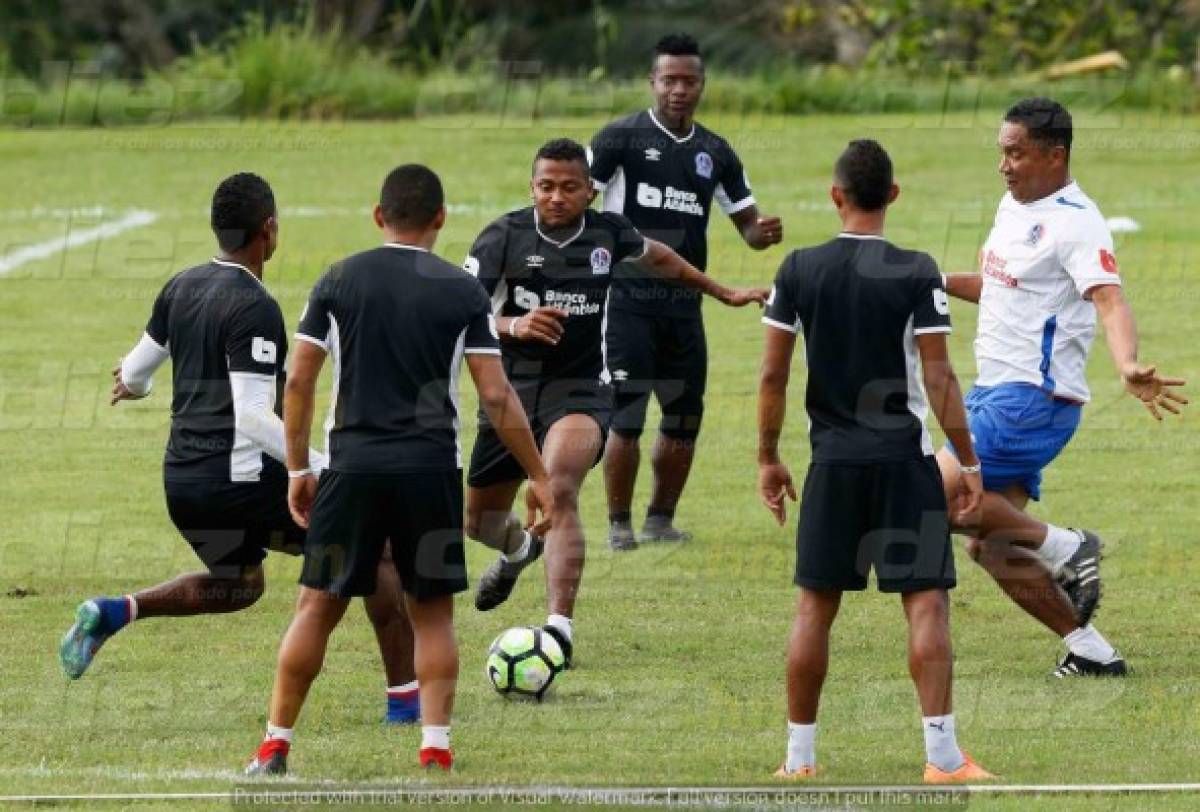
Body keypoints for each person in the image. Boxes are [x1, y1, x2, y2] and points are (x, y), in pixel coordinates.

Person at [59, 173, 419, 724]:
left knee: (241, 586)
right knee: (379, 549)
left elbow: (132, 372)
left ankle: (114, 612)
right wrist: (322, 467)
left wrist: (139, 386)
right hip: (239, 481)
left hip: (183, 485)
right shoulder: (253, 304)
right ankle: (405, 704)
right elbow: (253, 418)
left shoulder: (181, 284)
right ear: (269, 229)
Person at [246, 164, 553, 776]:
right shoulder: (462, 292)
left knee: (316, 606)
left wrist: (299, 468)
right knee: (432, 612)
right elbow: (496, 396)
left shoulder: (337, 280)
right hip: (430, 471)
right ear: (440, 219)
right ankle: (435, 747)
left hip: (352, 470)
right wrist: (539, 475)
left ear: (378, 216)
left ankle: (275, 745)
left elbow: (300, 380)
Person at [464, 138, 767, 666]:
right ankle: (518, 552)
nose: (556, 196)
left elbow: (663, 258)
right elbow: (461, 315)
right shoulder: (501, 237)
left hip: (581, 390)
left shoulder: (610, 232)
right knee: (479, 523)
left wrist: (723, 292)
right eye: (545, 186)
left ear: (588, 191)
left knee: (558, 486)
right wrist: (513, 324)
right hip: (508, 396)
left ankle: (558, 629)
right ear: (531, 187)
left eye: (569, 187)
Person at [758, 139, 994, 783]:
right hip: (903, 464)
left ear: (835, 196)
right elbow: (940, 379)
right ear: (892, 195)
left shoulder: (797, 270)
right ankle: (943, 759)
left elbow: (774, 378)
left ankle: (799, 760)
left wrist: (768, 458)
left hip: (830, 465)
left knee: (814, 608)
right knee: (925, 605)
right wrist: (968, 462)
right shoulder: (917, 270)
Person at [940, 98, 1187, 677]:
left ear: (1055, 155)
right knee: (990, 544)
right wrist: (927, 279)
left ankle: (1067, 546)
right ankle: (1092, 652)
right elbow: (999, 288)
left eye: (1015, 152)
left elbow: (1110, 298)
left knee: (929, 497)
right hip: (995, 394)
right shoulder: (1013, 205)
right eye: (1001, 151)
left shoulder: (1077, 221)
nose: (1004, 164)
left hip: (1030, 401)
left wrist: (1127, 365)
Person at [589, 32, 783, 550]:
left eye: (688, 80)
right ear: (652, 82)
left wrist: (760, 234)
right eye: (669, 79)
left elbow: (746, 224)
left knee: (683, 415)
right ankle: (618, 525)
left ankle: (660, 520)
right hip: (627, 298)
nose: (679, 89)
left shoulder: (714, 152)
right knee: (626, 416)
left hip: (684, 304)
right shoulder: (618, 139)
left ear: (702, 84)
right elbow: (574, 203)